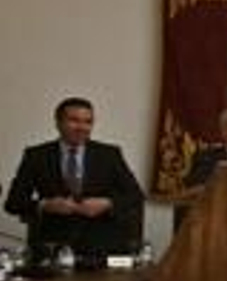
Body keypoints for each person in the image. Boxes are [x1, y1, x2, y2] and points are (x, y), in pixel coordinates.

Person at [4, 96, 145, 257]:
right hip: (52, 247)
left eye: (88, 122)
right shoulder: (36, 156)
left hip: (102, 245)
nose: (82, 127)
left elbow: (136, 196)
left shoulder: (109, 154)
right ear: (58, 123)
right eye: (74, 120)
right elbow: (13, 203)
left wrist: (107, 203)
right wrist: (45, 205)